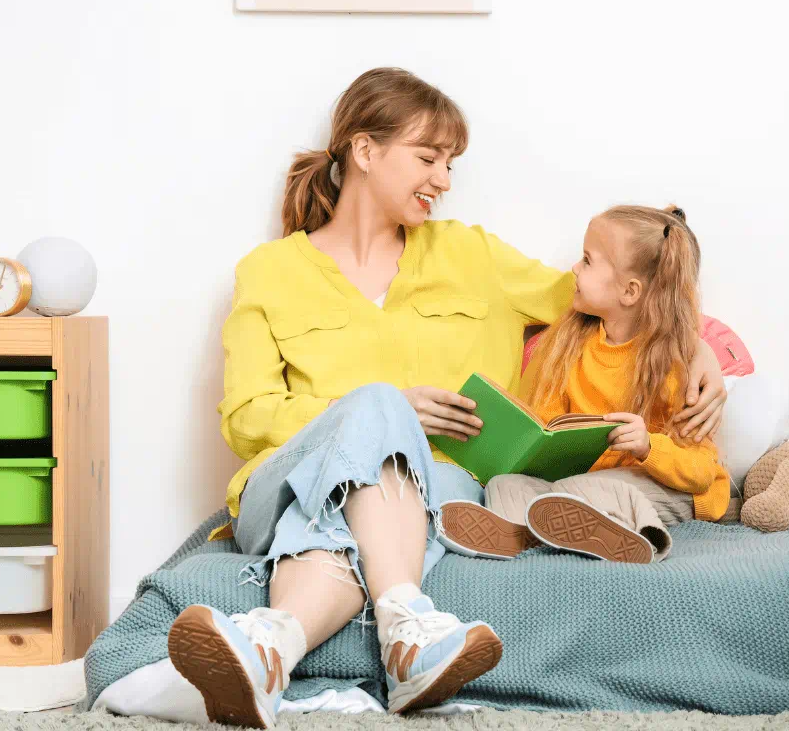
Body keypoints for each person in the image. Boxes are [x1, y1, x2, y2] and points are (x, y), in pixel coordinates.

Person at [162, 68, 728, 728]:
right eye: (428, 158)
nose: (445, 179)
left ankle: (270, 647)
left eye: (451, 163)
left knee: (343, 532)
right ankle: (407, 630)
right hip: (287, 482)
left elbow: (625, 292)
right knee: (377, 406)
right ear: (365, 151)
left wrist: (699, 348)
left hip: (438, 487)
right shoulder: (270, 273)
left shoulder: (473, 255)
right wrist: (384, 410)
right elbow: (246, 419)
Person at [440, 205, 733, 566]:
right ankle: (520, 535)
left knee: (594, 490)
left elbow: (701, 472)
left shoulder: (677, 364)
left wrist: (648, 447)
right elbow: (548, 429)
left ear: (629, 291)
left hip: (673, 486)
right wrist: (528, 447)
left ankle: (642, 539)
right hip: (579, 488)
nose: (574, 269)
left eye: (587, 260)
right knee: (505, 485)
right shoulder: (569, 344)